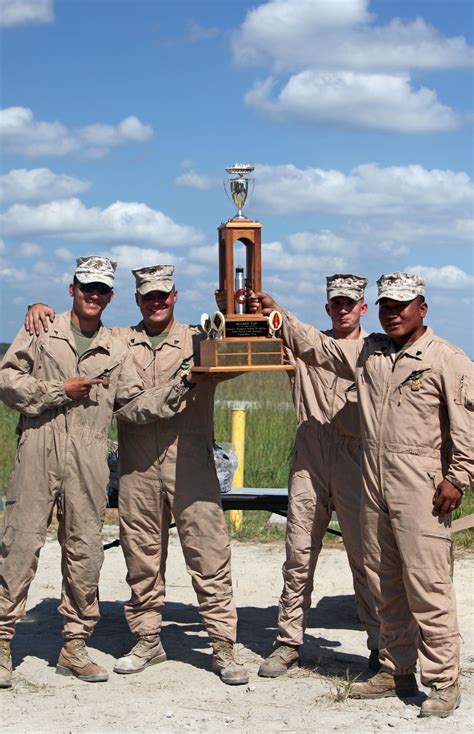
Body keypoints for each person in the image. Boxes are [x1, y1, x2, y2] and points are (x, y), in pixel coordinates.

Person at [249, 272, 472, 717]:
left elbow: (465, 424)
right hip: (370, 478)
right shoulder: (369, 352)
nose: (392, 313)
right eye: (386, 305)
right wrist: (274, 313)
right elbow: (316, 346)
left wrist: (459, 476)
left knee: (427, 585)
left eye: (400, 306)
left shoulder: (447, 359)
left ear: (421, 308)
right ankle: (395, 669)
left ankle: (444, 682)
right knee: (384, 581)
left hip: (420, 484)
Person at [24, 264, 249, 686]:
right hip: (138, 469)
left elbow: (242, 357)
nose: (156, 302)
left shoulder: (201, 339)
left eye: (163, 295)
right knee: (142, 558)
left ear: (175, 296)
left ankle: (222, 646)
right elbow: (126, 406)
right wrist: (37, 307)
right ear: (136, 299)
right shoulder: (119, 344)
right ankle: (148, 639)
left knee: (210, 556)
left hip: (192, 467)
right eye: (148, 296)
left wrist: (233, 319)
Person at [0, 257, 193, 689]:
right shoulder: (41, 328)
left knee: (86, 549)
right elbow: (7, 380)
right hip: (38, 446)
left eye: (102, 289)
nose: (94, 294)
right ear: (72, 289)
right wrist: (57, 391)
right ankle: (2, 641)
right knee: (19, 545)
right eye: (87, 286)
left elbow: (132, 404)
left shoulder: (116, 347)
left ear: (110, 296)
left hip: (89, 456)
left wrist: (183, 386)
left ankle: (74, 645)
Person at [258, 274, 381, 678]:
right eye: (336, 303)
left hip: (354, 460)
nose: (343, 309)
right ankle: (289, 641)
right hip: (310, 458)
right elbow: (263, 336)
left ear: (363, 307)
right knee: (298, 555)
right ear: (327, 308)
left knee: (366, 559)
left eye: (350, 303)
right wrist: (244, 305)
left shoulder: (375, 352)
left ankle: (382, 646)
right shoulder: (303, 346)